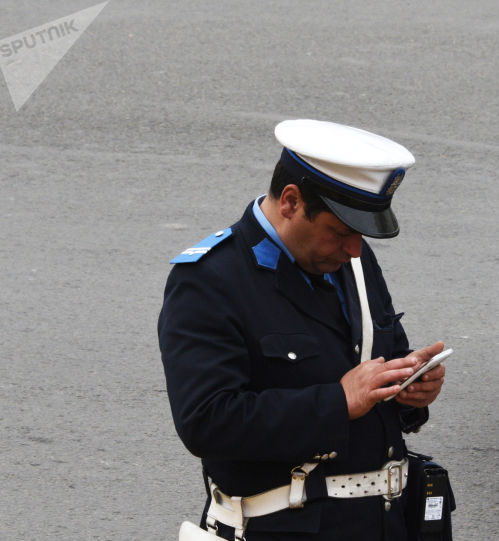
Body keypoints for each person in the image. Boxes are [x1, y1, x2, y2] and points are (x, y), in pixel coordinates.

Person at [158, 119, 447, 541]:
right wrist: (338, 401)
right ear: (291, 202)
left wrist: (409, 392)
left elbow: (375, 361)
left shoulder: (351, 260)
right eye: (341, 232)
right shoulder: (210, 280)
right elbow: (206, 421)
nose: (354, 248)